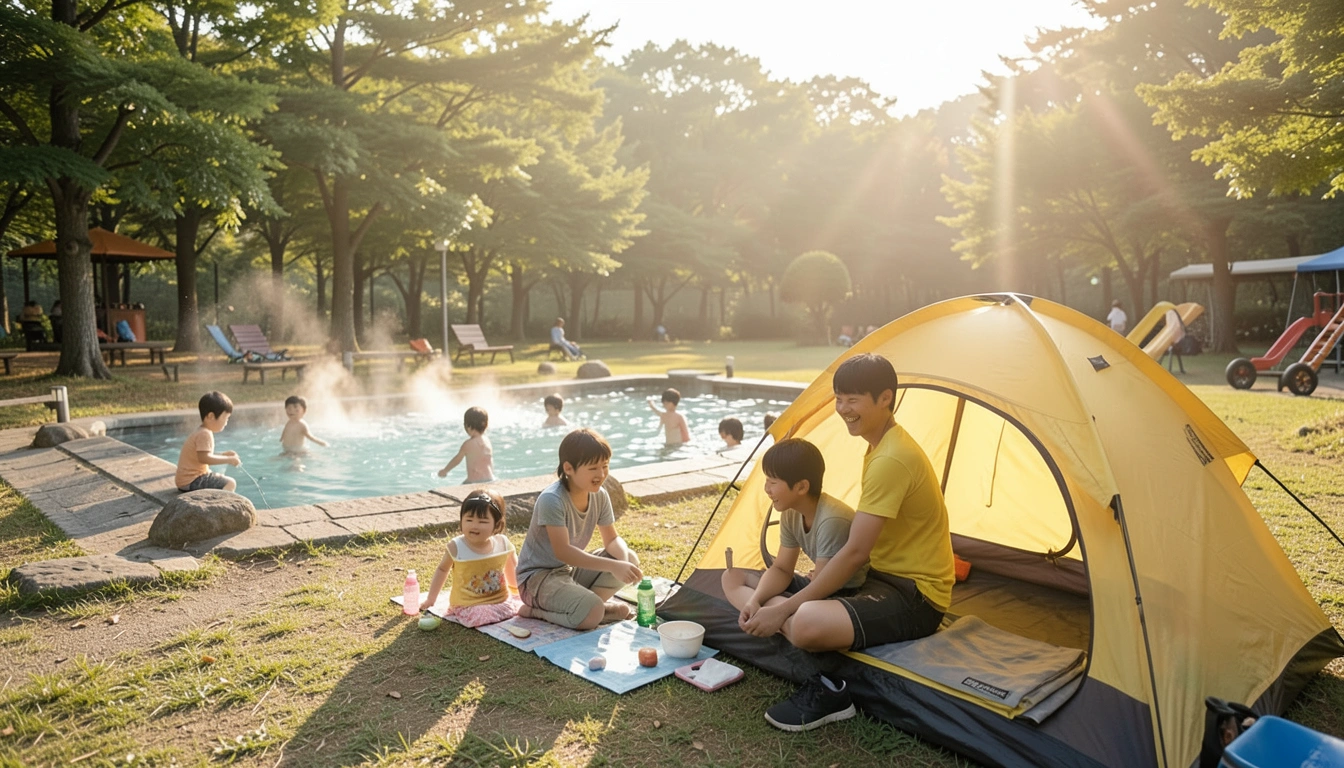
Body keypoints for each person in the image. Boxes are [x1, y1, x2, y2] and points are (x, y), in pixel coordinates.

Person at [744, 353, 953, 732]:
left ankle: (832, 689)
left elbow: (855, 552)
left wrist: (782, 609)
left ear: (885, 398)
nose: (843, 409)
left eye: (852, 399)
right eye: (839, 398)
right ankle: (777, 612)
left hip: (918, 596)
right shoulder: (880, 447)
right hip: (883, 579)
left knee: (805, 620)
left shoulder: (892, 457)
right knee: (768, 590)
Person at [721, 438, 868, 620]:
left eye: (773, 482)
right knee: (731, 577)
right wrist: (756, 600)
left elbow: (820, 589)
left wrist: (780, 608)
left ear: (801, 487)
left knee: (805, 616)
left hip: (842, 595)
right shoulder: (791, 513)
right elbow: (782, 568)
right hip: (813, 587)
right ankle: (768, 615)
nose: (767, 489)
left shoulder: (832, 520)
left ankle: (776, 617)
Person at [515, 429, 643, 629]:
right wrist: (612, 566)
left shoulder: (600, 495)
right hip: (536, 580)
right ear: (568, 468)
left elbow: (611, 539)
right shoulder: (552, 499)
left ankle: (594, 607)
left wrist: (622, 562)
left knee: (629, 557)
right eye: (593, 468)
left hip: (567, 573)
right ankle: (538, 612)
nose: (601, 474)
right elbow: (563, 552)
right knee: (590, 618)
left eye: (605, 466)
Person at [423, 489, 522, 627]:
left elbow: (512, 567)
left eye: (482, 521)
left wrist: (518, 592)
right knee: (482, 615)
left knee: (519, 607)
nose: (474, 526)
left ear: (497, 524)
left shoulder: (502, 543)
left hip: (500, 600)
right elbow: (442, 570)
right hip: (468, 604)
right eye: (469, 519)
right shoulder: (456, 546)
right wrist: (430, 599)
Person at [175, 391, 242, 492]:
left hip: (186, 481)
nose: (226, 423)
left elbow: (202, 454)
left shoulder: (201, 431)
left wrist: (223, 455)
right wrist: (228, 459)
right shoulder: (204, 434)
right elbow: (204, 458)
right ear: (211, 416)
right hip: (192, 481)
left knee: (219, 477)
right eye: (225, 418)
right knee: (230, 483)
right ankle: (219, 505)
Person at [438, 407, 496, 483]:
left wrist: (445, 470)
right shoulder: (487, 441)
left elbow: (457, 460)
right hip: (490, 479)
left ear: (468, 426)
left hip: (474, 481)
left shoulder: (468, 444)